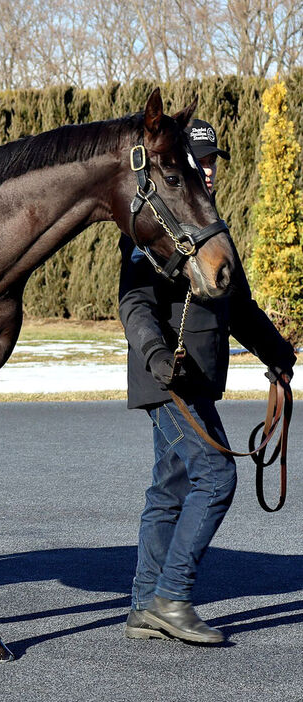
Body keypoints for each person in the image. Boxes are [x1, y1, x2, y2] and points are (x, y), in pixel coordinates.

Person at [119, 119, 297, 644]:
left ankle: (143, 606)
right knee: (217, 477)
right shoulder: (152, 224)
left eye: (215, 158)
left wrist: (279, 353)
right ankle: (173, 597)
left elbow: (237, 305)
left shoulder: (208, 225)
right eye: (201, 159)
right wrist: (155, 356)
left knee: (169, 489)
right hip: (169, 380)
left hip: (196, 380)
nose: (210, 168)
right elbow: (134, 303)